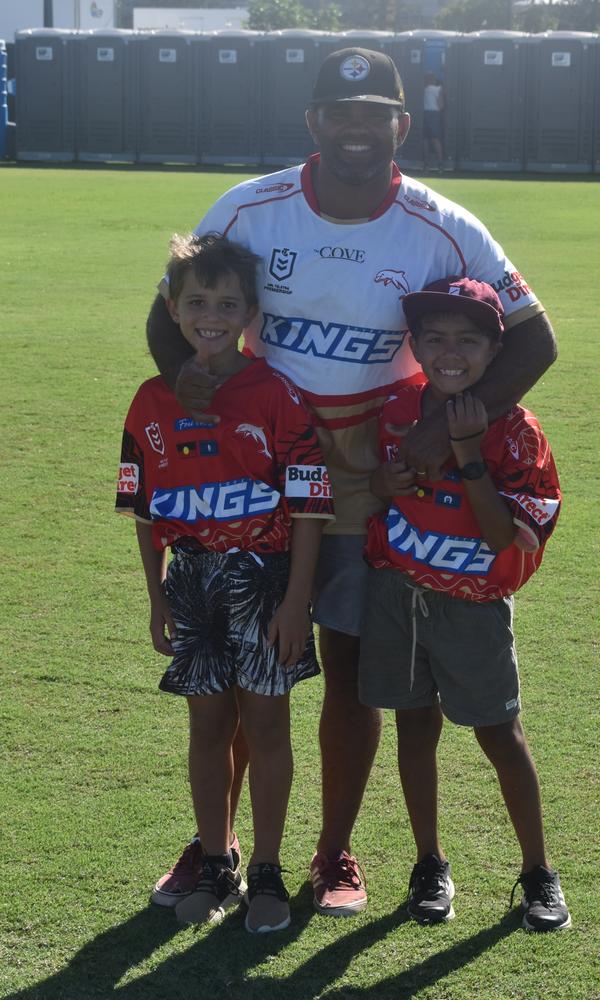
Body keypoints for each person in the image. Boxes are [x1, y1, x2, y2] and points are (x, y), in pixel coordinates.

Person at [145, 46, 558, 917]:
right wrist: (190, 377)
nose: (358, 127)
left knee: (349, 671)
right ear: (314, 122)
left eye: (376, 113)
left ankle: (334, 852)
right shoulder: (251, 207)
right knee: (243, 672)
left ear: (402, 125)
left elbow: (533, 338)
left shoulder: (441, 223)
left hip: (376, 480)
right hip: (262, 477)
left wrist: (449, 439)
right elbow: (171, 307)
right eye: (341, 112)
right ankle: (214, 849)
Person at [117, 233, 334, 932]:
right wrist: (156, 599)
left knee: (267, 725)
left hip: (266, 582)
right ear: (174, 309)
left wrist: (297, 600)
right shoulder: (150, 401)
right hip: (193, 581)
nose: (211, 314)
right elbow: (147, 514)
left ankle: (267, 868)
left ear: (249, 314)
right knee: (207, 726)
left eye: (227, 303)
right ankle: (216, 862)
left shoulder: (277, 394)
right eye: (196, 301)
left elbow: (308, 505)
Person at [360, 276, 570, 932]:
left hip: (473, 606)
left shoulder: (515, 431)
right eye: (435, 338)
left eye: (468, 340)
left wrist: (468, 455)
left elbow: (504, 535)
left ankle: (538, 873)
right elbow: (376, 484)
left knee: (499, 735)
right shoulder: (398, 406)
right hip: (401, 594)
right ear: (415, 345)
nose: (451, 352)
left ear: (494, 348)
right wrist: (386, 479)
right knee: (414, 730)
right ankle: (430, 864)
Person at [423, 73, 445, 171]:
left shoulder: (423, 89)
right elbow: (441, 106)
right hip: (434, 114)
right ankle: (440, 164)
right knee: (436, 139)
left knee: (425, 140)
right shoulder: (439, 89)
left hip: (425, 113)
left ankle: (426, 164)